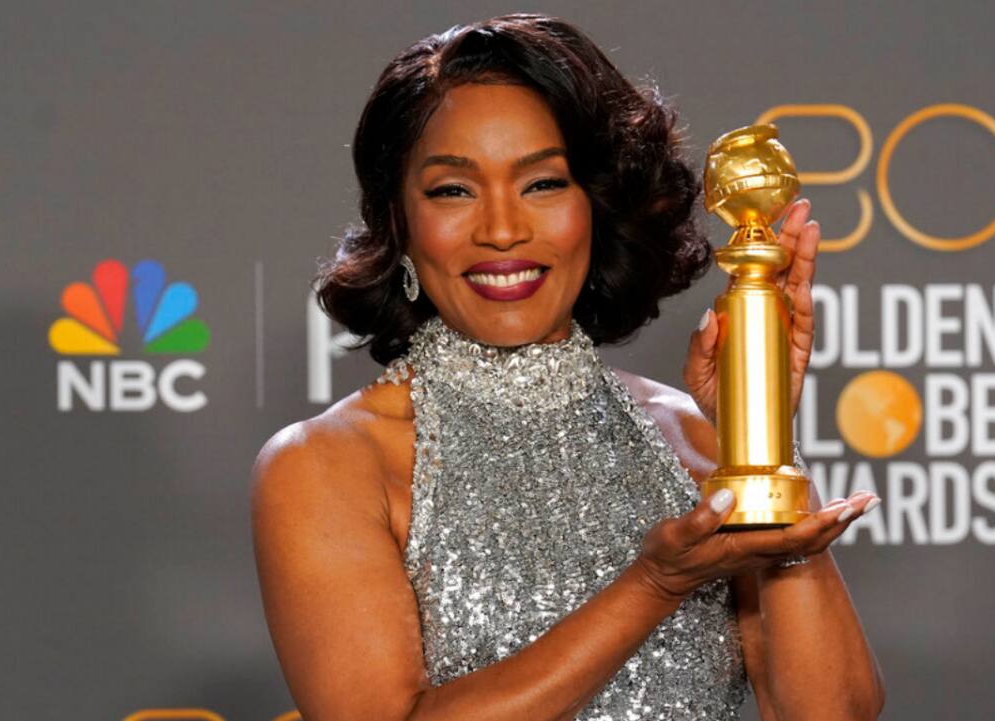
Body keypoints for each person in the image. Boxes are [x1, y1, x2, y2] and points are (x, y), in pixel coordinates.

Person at [251, 13, 884, 721]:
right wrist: (653, 584)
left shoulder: (695, 442)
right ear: (399, 221)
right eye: (453, 190)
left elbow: (834, 714)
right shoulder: (328, 464)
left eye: (543, 184)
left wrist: (760, 443)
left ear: (598, 206)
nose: (500, 229)